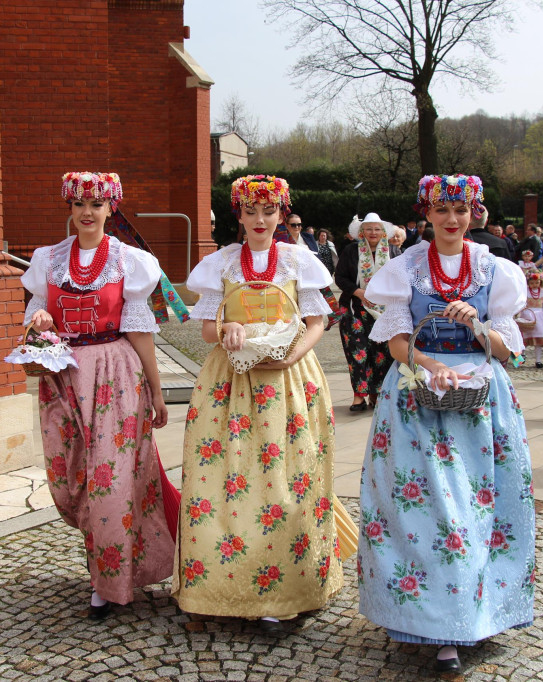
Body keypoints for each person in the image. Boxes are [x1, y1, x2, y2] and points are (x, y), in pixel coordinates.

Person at [359, 174, 534, 673]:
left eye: (461, 210)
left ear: (474, 212)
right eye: (442, 210)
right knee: (422, 510)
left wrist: (474, 325)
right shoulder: (405, 268)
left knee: (478, 507)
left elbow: (508, 351)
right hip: (416, 394)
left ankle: (474, 613)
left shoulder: (495, 269)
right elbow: (396, 342)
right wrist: (431, 365)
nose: (452, 220)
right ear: (427, 214)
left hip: (480, 401)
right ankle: (426, 618)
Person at [174, 174, 342, 631]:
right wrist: (226, 328)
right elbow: (206, 329)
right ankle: (217, 588)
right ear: (240, 215)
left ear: (282, 213)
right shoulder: (221, 263)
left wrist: (292, 355)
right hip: (230, 381)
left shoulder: (298, 260)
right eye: (251, 212)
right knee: (223, 478)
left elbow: (317, 322)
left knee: (287, 479)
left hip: (288, 380)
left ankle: (287, 592)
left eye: (269, 211)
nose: (261, 220)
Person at [22, 171, 178, 618]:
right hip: (63, 379)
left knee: (111, 482)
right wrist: (40, 321)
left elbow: (140, 331)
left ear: (111, 208)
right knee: (72, 480)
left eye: (96, 204)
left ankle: (108, 585)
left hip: (116, 376)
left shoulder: (129, 261)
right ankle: (109, 568)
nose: (87, 213)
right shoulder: (48, 259)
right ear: (70, 208)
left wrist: (157, 391)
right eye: (79, 204)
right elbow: (36, 314)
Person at [335, 213, 399, 411]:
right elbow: (340, 277)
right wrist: (358, 292)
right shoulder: (351, 251)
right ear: (361, 232)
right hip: (355, 308)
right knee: (357, 351)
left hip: (385, 310)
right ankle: (359, 395)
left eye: (377, 229)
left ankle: (376, 393)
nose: (373, 232)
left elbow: (401, 278)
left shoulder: (394, 251)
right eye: (369, 229)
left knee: (382, 353)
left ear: (383, 232)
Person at [520, 270, 543, 367]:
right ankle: (521, 355)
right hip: (527, 314)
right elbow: (520, 302)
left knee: (539, 338)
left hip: (539, 316)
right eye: (532, 283)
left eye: (537, 283)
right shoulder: (525, 291)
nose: (534, 285)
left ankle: (538, 360)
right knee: (524, 336)